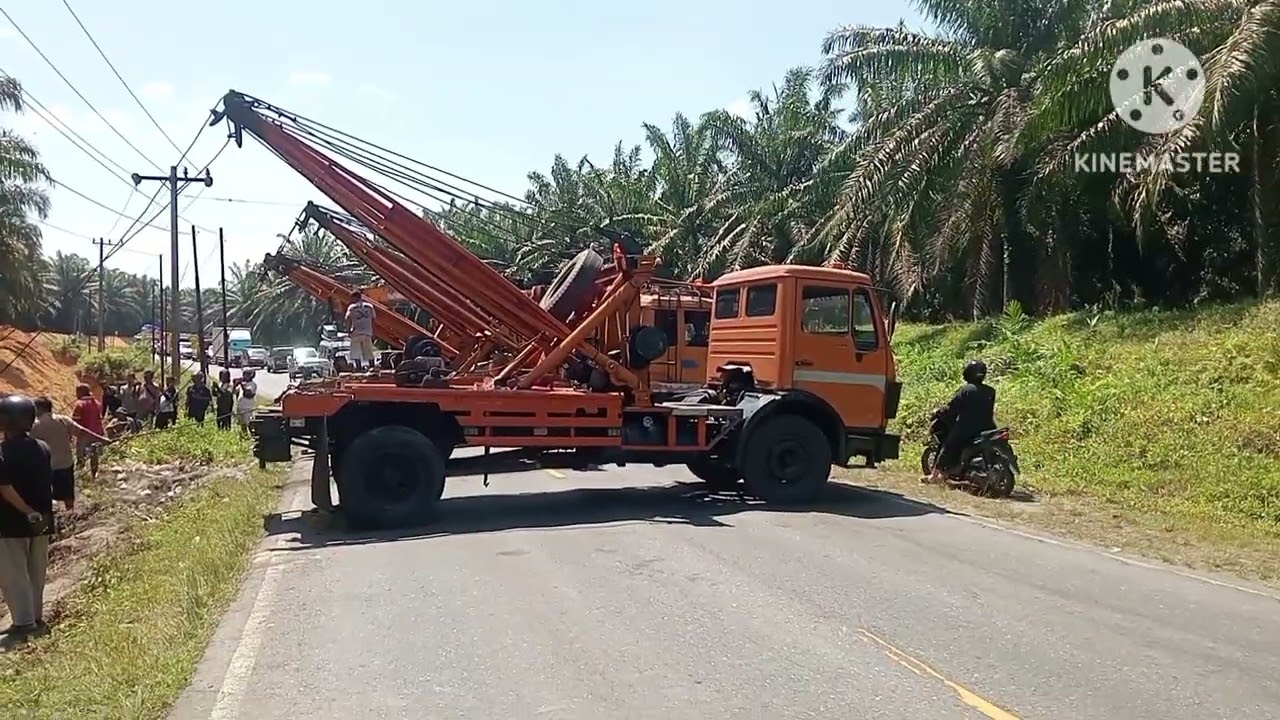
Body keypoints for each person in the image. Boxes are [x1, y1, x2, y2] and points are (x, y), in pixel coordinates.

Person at [0, 394, 54, 642]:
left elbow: (5, 487)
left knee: (14, 574)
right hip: (43, 520)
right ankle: (35, 617)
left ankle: (23, 623)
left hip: (11, 522)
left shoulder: (3, 452)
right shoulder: (43, 447)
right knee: (36, 572)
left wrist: (25, 510)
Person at [30, 395, 110, 511]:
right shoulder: (63, 420)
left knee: (46, 496)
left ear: (39, 409)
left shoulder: (35, 426)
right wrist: (102, 440)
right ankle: (70, 514)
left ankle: (50, 517)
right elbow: (83, 432)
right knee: (68, 494)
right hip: (65, 463)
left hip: (46, 466)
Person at [925, 359, 997, 484]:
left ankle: (935, 476)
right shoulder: (990, 391)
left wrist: (942, 414)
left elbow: (952, 408)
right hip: (988, 427)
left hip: (967, 428)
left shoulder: (966, 390)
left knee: (947, 446)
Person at [69, 385, 109, 480]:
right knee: (94, 455)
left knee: (80, 455)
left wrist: (70, 434)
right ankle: (94, 475)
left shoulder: (80, 404)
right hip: (97, 433)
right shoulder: (97, 403)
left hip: (84, 434)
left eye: (77, 392)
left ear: (81, 392)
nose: (76, 395)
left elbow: (74, 422)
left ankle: (79, 477)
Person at [344, 289, 376, 372]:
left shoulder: (352, 307)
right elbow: (373, 319)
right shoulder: (370, 306)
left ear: (355, 298)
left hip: (356, 332)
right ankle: (372, 367)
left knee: (356, 352)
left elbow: (347, 318)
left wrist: (348, 330)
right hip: (367, 332)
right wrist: (372, 331)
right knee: (369, 351)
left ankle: (358, 368)